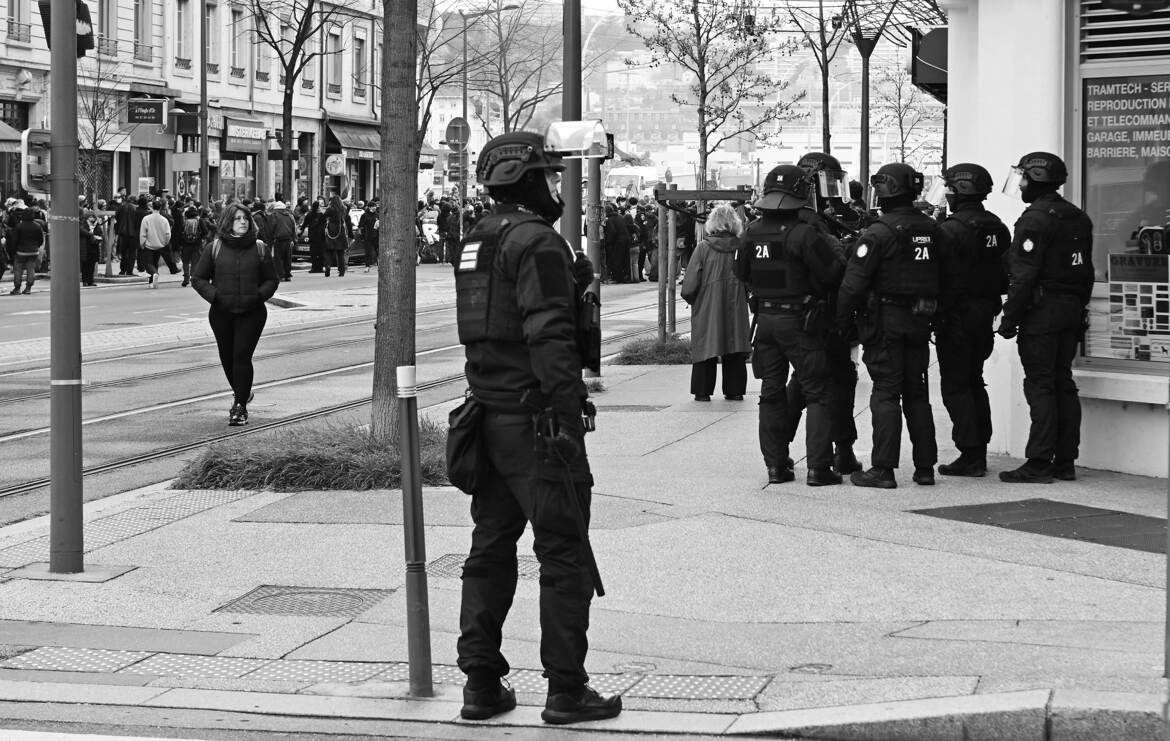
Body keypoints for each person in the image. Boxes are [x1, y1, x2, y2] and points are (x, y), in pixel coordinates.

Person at [452, 131, 621, 725]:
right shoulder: (538, 242)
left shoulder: (477, 238)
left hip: (487, 415)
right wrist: (569, 414)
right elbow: (548, 333)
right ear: (525, 180)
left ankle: (480, 684)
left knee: (490, 550)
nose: (555, 186)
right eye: (547, 176)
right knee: (564, 553)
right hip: (536, 423)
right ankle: (566, 690)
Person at [837, 163, 953, 489]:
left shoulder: (879, 233)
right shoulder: (934, 229)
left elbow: (853, 285)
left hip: (885, 322)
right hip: (919, 321)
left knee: (886, 393)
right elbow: (949, 277)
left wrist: (843, 322)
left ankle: (883, 469)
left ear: (887, 189)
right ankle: (925, 468)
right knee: (917, 393)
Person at [735, 165, 845, 487]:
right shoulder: (804, 234)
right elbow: (832, 273)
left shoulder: (751, 232)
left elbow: (740, 273)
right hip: (800, 322)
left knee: (770, 393)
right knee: (817, 392)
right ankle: (819, 468)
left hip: (765, 321)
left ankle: (776, 466)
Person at [996, 152, 1094, 483]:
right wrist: (1080, 309)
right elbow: (1086, 272)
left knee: (1040, 385)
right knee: (1063, 382)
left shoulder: (1035, 220)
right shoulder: (1078, 217)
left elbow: (1023, 275)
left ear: (1036, 179)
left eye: (1024, 178)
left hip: (1043, 312)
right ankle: (1065, 461)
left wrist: (1009, 318)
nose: (1021, 184)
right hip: (1070, 309)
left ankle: (1038, 462)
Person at [780, 152, 863, 475]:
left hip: (799, 316)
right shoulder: (813, 223)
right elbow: (834, 271)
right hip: (822, 315)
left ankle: (780, 450)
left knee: (804, 382)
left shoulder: (790, 218)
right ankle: (840, 452)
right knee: (834, 381)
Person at [933, 163, 1011, 478]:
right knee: (975, 380)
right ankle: (978, 447)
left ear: (962, 190)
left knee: (956, 384)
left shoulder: (950, 230)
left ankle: (970, 453)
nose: (947, 194)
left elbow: (938, 274)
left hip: (956, 315)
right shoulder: (997, 226)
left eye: (950, 188)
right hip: (984, 313)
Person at [190, 203, 278, 426]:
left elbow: (272, 280)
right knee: (227, 357)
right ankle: (243, 391)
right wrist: (215, 296)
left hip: (252, 312)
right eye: (237, 218)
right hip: (222, 312)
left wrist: (258, 296)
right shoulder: (214, 248)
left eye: (245, 218)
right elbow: (198, 278)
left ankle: (239, 406)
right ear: (228, 222)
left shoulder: (260, 248)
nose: (242, 222)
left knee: (241, 356)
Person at [680, 203, 750, 402]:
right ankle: (734, 390)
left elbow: (689, 284)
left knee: (706, 344)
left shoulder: (703, 248)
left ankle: (702, 391)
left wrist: (692, 299)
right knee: (735, 344)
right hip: (736, 305)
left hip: (707, 305)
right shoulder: (742, 247)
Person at [138, 199, 175, 288]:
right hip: (160, 245)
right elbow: (168, 233)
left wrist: (142, 243)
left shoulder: (146, 219)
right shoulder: (164, 220)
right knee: (155, 263)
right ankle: (152, 282)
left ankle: (154, 274)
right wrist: (165, 242)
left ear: (152, 207)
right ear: (161, 207)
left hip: (149, 244)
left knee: (148, 263)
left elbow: (143, 233)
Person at [9, 204, 43, 295]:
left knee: (18, 269)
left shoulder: (19, 226)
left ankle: (17, 288)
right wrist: (36, 246)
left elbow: (14, 240)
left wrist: (14, 250)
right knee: (31, 269)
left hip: (21, 251)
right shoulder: (37, 226)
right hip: (34, 251)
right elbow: (41, 240)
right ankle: (28, 288)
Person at [178, 206, 209, 288]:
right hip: (197, 244)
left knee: (185, 262)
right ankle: (193, 278)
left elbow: (179, 233)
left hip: (185, 245)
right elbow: (205, 231)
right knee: (195, 262)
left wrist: (180, 244)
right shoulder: (199, 221)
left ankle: (186, 278)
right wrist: (202, 238)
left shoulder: (184, 222)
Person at [267, 201, 297, 282]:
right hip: (288, 239)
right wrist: (293, 239)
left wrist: (270, 238)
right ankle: (288, 275)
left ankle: (281, 275)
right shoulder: (289, 216)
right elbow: (293, 227)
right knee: (287, 258)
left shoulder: (275, 215)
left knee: (279, 258)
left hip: (279, 239)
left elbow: (272, 227)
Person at [323, 195, 351, 277]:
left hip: (331, 230)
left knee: (329, 251)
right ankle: (341, 270)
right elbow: (347, 213)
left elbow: (324, 217)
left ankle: (328, 266)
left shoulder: (330, 209)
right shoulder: (343, 209)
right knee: (340, 253)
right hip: (340, 230)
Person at [302, 198, 327, 273]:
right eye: (319, 206)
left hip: (313, 236)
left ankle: (314, 267)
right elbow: (325, 224)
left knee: (313, 252)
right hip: (320, 236)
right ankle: (320, 267)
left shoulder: (309, 215)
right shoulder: (322, 215)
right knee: (320, 252)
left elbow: (304, 224)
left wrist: (300, 232)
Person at [80, 210, 102, 287]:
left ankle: (90, 281)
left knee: (92, 266)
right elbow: (82, 231)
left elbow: (100, 232)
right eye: (90, 217)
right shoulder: (83, 224)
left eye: (93, 217)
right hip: (86, 247)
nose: (92, 219)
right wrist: (90, 234)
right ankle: (85, 281)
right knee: (85, 266)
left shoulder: (96, 225)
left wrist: (97, 236)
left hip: (94, 247)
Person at [358, 200, 379, 272]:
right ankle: (367, 266)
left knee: (378, 251)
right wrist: (361, 236)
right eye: (373, 206)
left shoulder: (377, 215)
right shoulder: (364, 215)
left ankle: (379, 265)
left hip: (376, 236)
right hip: (367, 236)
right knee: (368, 252)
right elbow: (360, 226)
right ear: (369, 207)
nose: (374, 208)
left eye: (375, 206)